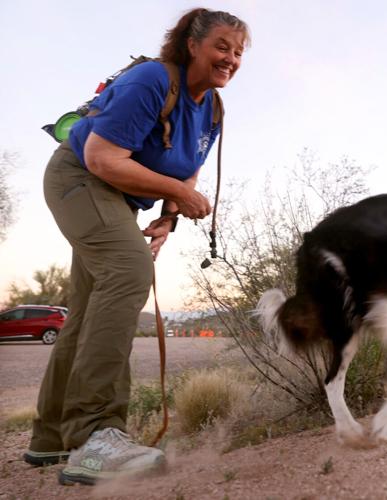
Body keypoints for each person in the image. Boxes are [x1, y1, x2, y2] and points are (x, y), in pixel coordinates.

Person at [24, 8, 249, 485]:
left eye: (239, 52)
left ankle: (50, 437)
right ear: (193, 45)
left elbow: (186, 171)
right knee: (128, 269)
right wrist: (184, 197)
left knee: (85, 309)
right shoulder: (151, 79)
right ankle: (95, 435)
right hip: (81, 177)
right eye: (222, 47)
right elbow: (101, 157)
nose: (231, 58)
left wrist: (168, 217)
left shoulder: (212, 109)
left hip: (120, 199)